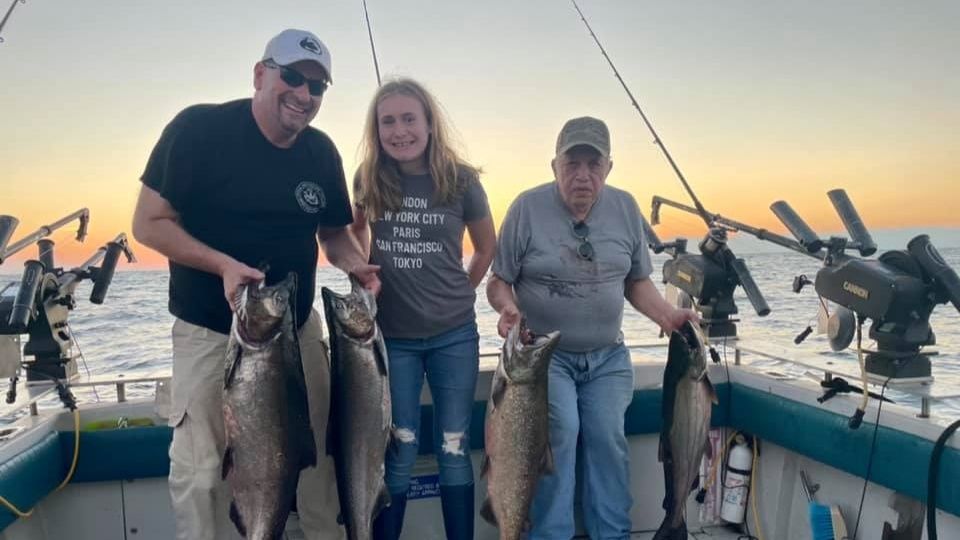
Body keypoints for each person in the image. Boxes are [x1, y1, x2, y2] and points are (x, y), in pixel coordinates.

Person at [131, 29, 379, 540]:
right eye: (292, 77)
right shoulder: (197, 131)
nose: (304, 95)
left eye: (317, 87)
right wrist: (221, 264)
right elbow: (149, 222)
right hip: (208, 331)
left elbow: (333, 234)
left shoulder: (320, 153)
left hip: (297, 328)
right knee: (203, 474)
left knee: (314, 464)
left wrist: (356, 266)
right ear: (260, 74)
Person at [486, 116, 697, 539]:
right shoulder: (526, 208)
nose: (582, 175)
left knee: (607, 439)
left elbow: (635, 281)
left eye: (592, 164)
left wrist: (666, 315)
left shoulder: (624, 208)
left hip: (607, 357)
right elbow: (498, 280)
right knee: (559, 435)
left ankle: (612, 534)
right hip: (545, 361)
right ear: (555, 166)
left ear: (608, 168)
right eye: (572, 163)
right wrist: (508, 308)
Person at [350, 78, 496, 540]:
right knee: (401, 448)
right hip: (393, 339)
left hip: (456, 335)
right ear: (377, 130)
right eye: (387, 121)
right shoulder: (368, 177)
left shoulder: (461, 179)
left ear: (430, 123)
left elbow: (486, 247)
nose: (399, 131)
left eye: (409, 119)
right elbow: (351, 233)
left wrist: (464, 290)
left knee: (454, 447)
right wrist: (362, 266)